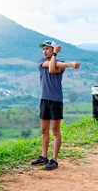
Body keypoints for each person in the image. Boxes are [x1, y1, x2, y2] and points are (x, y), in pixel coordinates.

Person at [31, 40, 80, 170]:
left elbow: (52, 69)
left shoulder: (58, 62)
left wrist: (58, 58)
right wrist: (68, 64)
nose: (44, 51)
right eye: (44, 49)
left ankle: (54, 160)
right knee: (44, 130)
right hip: (44, 99)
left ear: (53, 50)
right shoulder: (41, 60)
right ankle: (44, 156)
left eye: (48, 48)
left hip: (56, 100)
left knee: (55, 131)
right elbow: (51, 66)